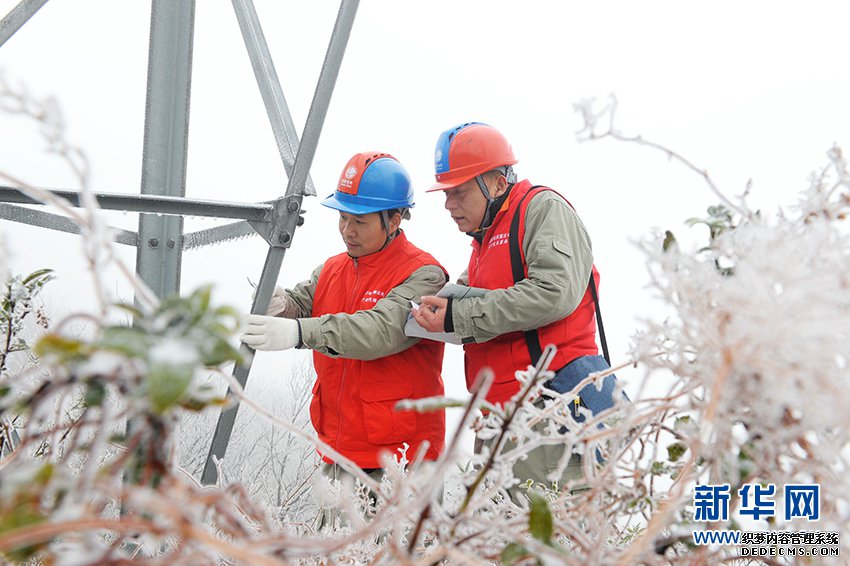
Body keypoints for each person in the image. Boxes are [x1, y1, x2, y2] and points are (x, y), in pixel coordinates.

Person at [412, 122, 622, 499]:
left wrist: (457, 315)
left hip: (548, 417)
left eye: (458, 192)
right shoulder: (486, 238)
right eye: (446, 193)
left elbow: (553, 292)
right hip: (503, 422)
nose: (448, 204)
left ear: (495, 182)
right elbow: (485, 307)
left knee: (546, 551)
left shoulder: (542, 209)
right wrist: (442, 310)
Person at [240, 151, 448, 491]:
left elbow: (379, 331)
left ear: (394, 220)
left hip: (401, 459)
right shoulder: (333, 269)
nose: (347, 231)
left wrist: (296, 333)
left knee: (393, 546)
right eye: (343, 218)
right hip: (338, 449)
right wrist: (281, 305)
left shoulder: (424, 275)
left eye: (360, 221)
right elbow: (303, 303)